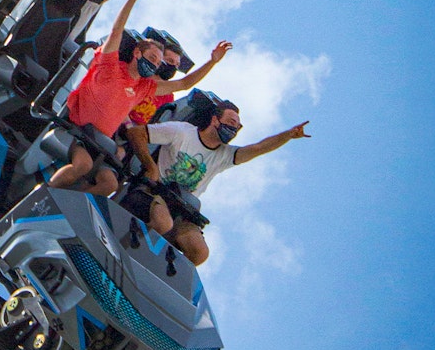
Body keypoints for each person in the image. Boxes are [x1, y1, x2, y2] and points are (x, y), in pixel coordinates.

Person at [48, 0, 232, 195]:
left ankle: (66, 203)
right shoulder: (110, 65)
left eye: (158, 63)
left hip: (100, 144)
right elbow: (116, 31)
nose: (155, 65)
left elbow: (184, 84)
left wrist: (211, 62)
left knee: (110, 185)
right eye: (152, 58)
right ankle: (44, 196)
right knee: (83, 165)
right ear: (137, 53)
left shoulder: (144, 87)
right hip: (76, 129)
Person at [125, 103, 311, 265]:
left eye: (237, 127)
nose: (234, 129)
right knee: (163, 222)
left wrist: (288, 135)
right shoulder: (182, 131)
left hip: (181, 210)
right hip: (152, 193)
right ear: (215, 120)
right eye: (231, 122)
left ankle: (153, 273)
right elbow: (136, 133)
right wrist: (151, 167)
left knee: (200, 252)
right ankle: (123, 250)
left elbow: (259, 148)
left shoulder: (225, 155)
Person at [126, 40, 183, 125]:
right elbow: (122, 98)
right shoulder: (138, 75)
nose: (173, 67)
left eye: (177, 65)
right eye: (170, 61)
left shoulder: (168, 96)